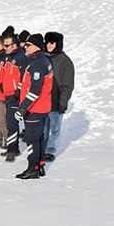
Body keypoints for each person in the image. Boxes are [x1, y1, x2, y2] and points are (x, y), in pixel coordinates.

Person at [14, 34, 53, 179]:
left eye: (28, 45)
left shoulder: (37, 64)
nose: (25, 47)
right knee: (39, 137)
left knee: (32, 139)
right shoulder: (39, 61)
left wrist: (23, 107)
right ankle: (40, 164)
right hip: (40, 107)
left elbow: (35, 90)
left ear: (36, 46)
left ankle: (32, 168)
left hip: (35, 108)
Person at [43, 32, 74, 162]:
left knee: (54, 128)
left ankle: (50, 150)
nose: (49, 45)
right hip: (43, 101)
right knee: (43, 128)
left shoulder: (65, 61)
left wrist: (63, 102)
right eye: (48, 42)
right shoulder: (43, 58)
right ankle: (41, 148)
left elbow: (68, 85)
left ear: (58, 44)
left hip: (56, 101)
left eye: (52, 43)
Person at [2, 34, 28, 162]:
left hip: (14, 95)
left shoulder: (21, 58)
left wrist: (18, 90)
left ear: (15, 45)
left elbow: (24, 77)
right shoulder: (8, 57)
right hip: (7, 93)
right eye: (4, 45)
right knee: (9, 121)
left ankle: (12, 149)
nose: (5, 47)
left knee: (12, 122)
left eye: (7, 45)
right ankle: (14, 147)